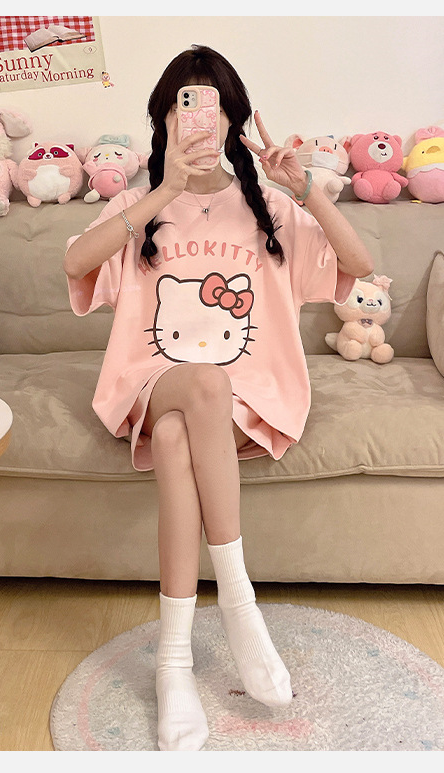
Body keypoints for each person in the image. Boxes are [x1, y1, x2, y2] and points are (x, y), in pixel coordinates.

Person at [63, 45, 374, 751]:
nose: (198, 119)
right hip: (154, 379)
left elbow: (359, 266)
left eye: (211, 105)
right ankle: (238, 600)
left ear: (233, 119)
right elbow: (74, 263)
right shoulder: (139, 204)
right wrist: (162, 192)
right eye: (184, 105)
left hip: (248, 394)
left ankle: (173, 663)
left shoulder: (268, 209)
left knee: (181, 432)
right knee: (202, 380)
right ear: (164, 120)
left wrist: (308, 188)